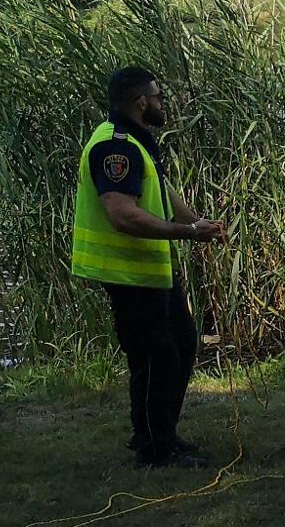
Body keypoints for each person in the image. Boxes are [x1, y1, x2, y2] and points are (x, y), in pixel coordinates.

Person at [70, 67, 226, 468]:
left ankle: (160, 435)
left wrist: (198, 224)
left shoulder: (137, 141)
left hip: (151, 272)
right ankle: (156, 449)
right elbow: (123, 216)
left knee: (182, 344)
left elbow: (160, 187)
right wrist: (187, 232)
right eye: (158, 97)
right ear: (140, 102)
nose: (162, 103)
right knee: (157, 358)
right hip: (128, 274)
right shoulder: (115, 148)